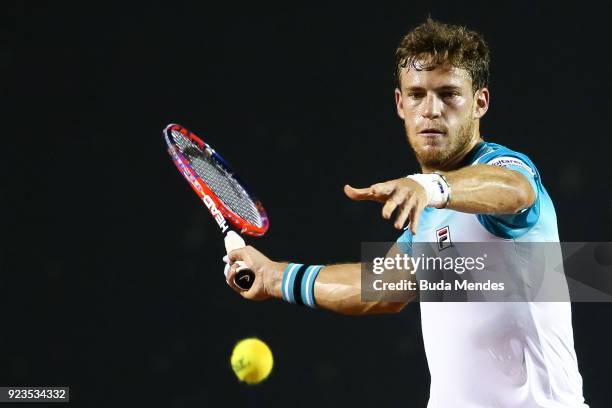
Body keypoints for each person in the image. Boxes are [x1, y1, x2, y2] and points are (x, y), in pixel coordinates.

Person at [224, 18, 588, 407]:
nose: (431, 110)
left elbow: (514, 191)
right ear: (400, 103)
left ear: (480, 102)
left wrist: (430, 187)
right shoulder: (429, 213)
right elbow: (380, 290)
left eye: (449, 94)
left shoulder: (505, 169)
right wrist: (275, 275)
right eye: (417, 95)